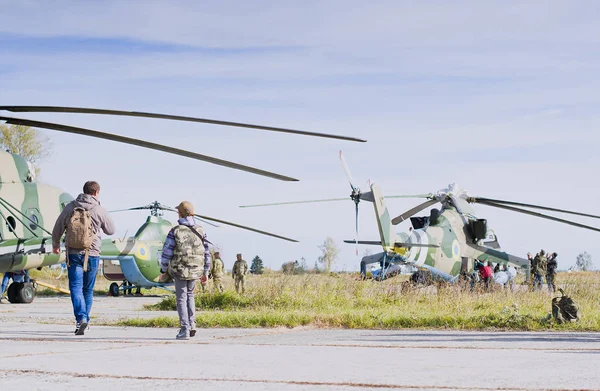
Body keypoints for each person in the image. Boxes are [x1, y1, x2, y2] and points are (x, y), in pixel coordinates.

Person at [52, 181, 115, 335]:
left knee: (75, 287)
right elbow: (111, 230)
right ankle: (85, 319)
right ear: (96, 193)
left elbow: (58, 227)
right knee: (87, 289)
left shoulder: (70, 207)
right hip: (92, 253)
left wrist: (55, 245)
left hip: (73, 253)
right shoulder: (99, 209)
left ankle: (81, 319)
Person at [159, 201, 210, 340]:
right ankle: (192, 324)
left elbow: (167, 252)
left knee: (181, 297)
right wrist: (205, 271)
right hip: (196, 270)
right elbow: (206, 252)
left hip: (180, 269)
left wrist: (163, 269)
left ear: (180, 213)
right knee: (190, 295)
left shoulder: (176, 230)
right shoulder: (200, 230)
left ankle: (184, 329)